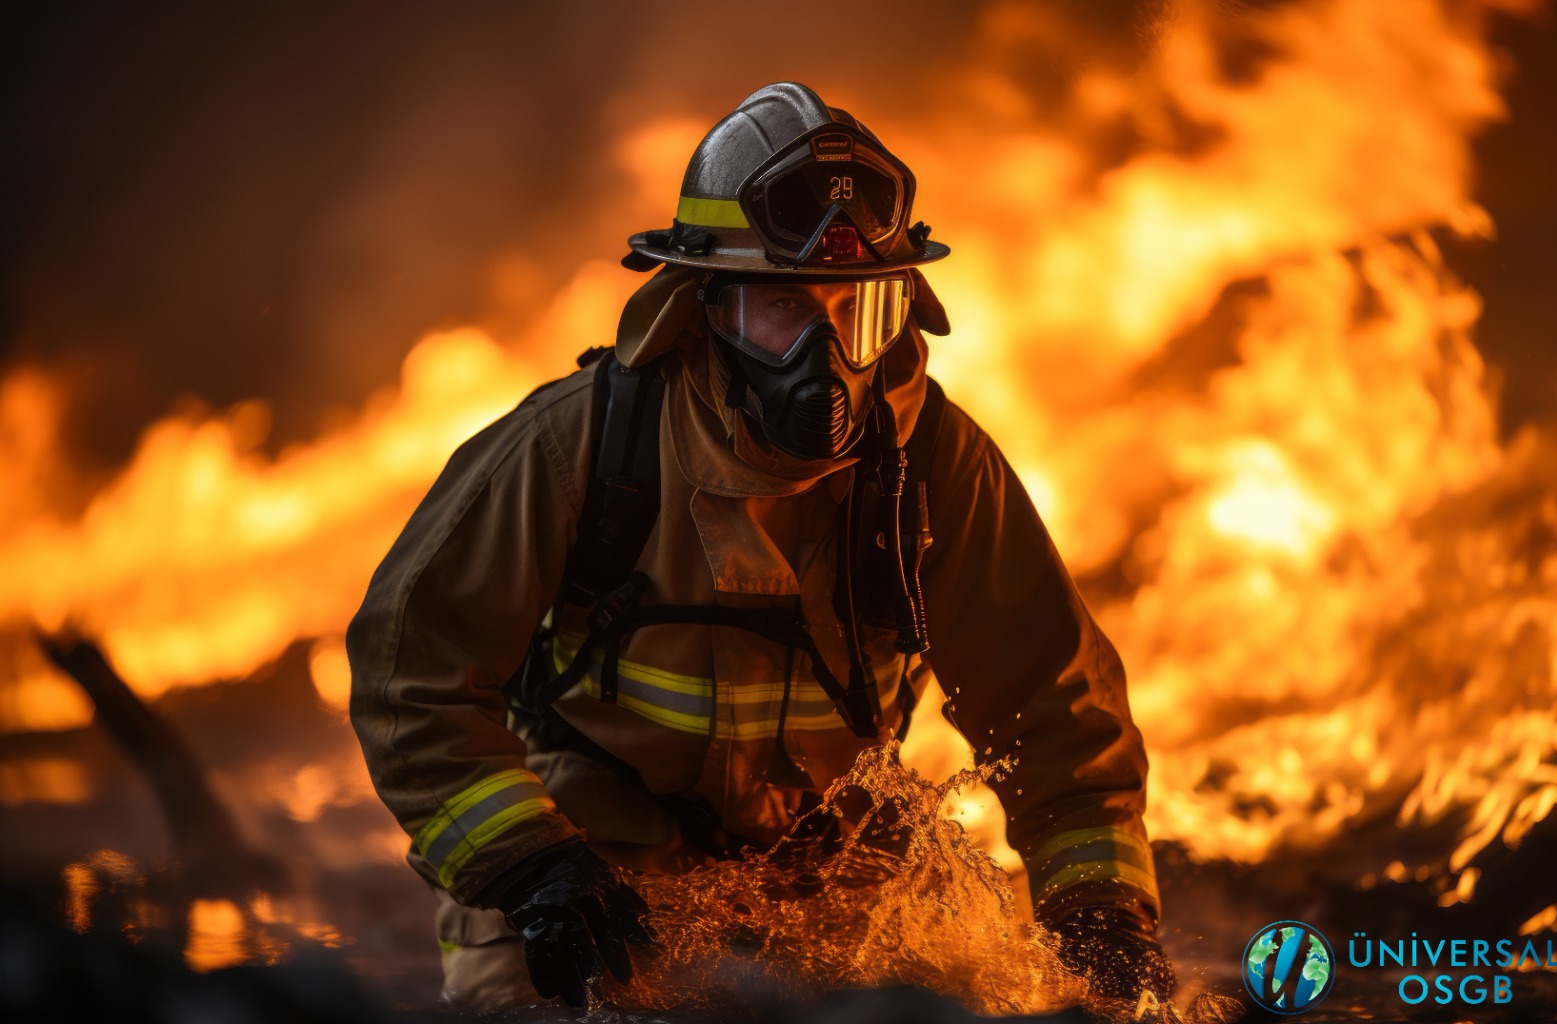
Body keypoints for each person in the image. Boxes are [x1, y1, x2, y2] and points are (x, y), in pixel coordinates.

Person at [347, 81, 1173, 1010]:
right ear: (706, 307)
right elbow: (407, 673)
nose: (823, 358)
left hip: (829, 888)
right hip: (594, 883)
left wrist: (1104, 917)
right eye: (782, 307)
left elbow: (1057, 713)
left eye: (855, 313)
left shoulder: (932, 465)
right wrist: (528, 868)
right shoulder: (579, 448)